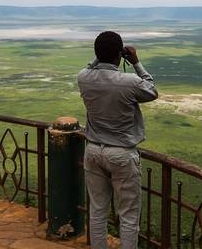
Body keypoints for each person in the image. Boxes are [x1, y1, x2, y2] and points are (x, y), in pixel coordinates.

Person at [78, 31, 158, 249]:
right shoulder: (130, 82)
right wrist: (136, 62)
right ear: (119, 55)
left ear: (96, 53)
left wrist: (102, 57)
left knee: (97, 211)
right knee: (129, 216)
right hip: (122, 154)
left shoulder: (83, 77)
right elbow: (151, 91)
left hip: (93, 150)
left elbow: (91, 66)